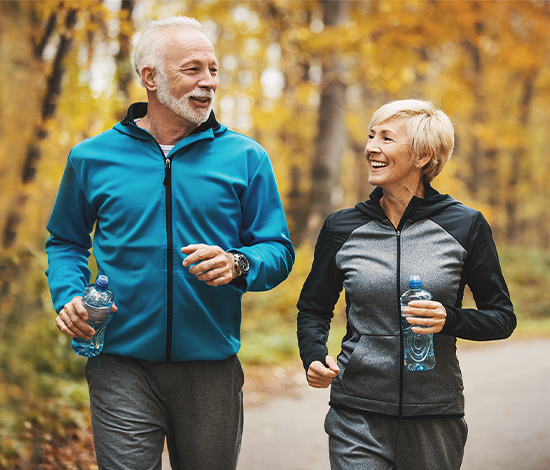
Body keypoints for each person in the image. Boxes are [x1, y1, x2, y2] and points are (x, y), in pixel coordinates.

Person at [45, 16, 294, 470]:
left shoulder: (246, 157)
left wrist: (239, 262)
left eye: (213, 70)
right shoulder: (91, 158)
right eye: (193, 69)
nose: (208, 82)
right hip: (119, 362)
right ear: (150, 78)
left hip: (210, 367)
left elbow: (277, 249)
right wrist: (68, 296)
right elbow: (65, 240)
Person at [297, 99, 516, 470]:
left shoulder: (466, 225)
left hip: (435, 416)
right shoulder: (342, 227)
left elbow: (502, 318)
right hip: (357, 414)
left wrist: (450, 319)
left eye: (386, 138)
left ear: (422, 156)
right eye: (370, 136)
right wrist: (314, 356)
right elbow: (313, 309)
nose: (371, 148)